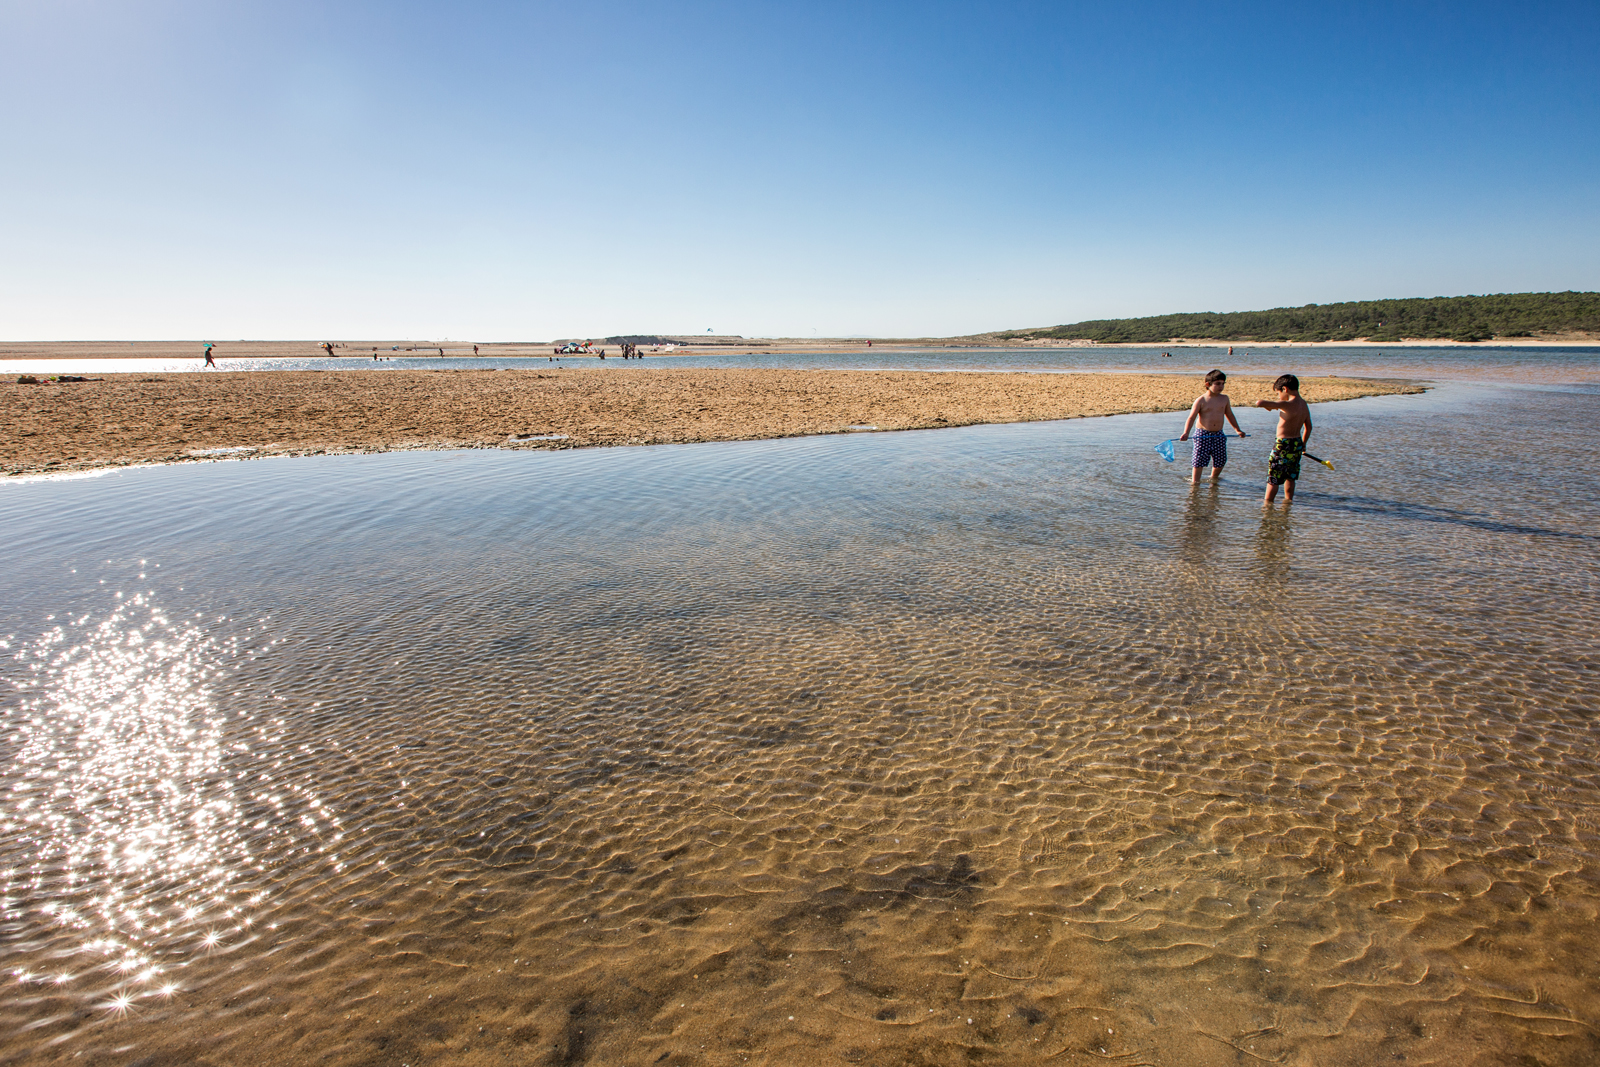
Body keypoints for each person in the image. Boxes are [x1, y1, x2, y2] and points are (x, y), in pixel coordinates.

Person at [1179, 369, 1246, 484]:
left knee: (1220, 460)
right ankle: (1195, 483)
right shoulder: (1201, 400)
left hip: (1218, 434)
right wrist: (1186, 433)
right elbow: (1191, 417)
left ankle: (1213, 479)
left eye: (1223, 383)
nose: (1221, 386)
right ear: (1208, 384)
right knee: (1199, 461)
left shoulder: (1224, 399)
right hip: (1203, 434)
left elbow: (1229, 414)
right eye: (1218, 384)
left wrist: (1237, 430)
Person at [1255, 373, 1312, 505]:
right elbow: (1308, 427)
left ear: (1285, 389)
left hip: (1283, 445)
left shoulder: (1286, 404)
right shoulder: (1304, 404)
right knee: (1290, 476)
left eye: (1278, 393)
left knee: (1274, 477)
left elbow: (1259, 402)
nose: (1278, 396)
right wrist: (1304, 443)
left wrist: (1271, 405)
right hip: (1296, 443)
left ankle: (1268, 503)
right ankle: (1288, 501)